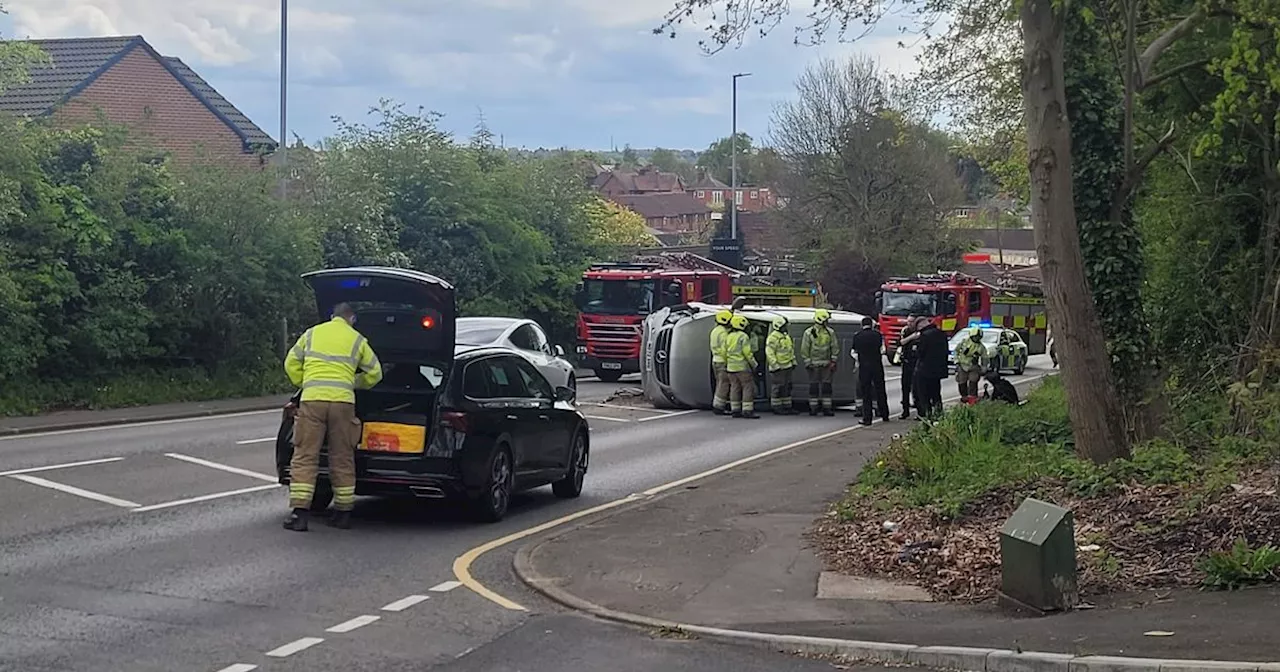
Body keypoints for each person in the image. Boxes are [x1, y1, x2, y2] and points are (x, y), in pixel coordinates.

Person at [283, 302, 383, 532]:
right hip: (343, 402)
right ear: (352, 319)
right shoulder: (357, 340)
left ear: (331, 316)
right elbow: (376, 373)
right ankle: (343, 514)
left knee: (305, 455)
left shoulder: (312, 334)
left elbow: (290, 363)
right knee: (342, 456)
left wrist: (305, 382)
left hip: (313, 400)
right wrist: (354, 382)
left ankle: (300, 515)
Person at [850, 317, 889, 425]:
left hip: (864, 367)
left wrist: (860, 360)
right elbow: (883, 350)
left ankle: (867, 418)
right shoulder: (878, 335)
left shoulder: (857, 336)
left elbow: (854, 352)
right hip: (877, 365)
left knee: (866, 393)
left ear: (861, 325)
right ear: (872, 324)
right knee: (880, 390)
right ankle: (884, 414)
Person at [800, 308, 839, 416]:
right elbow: (805, 349)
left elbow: (834, 347)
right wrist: (808, 362)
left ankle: (827, 408)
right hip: (813, 365)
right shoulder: (809, 333)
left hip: (826, 363)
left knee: (827, 386)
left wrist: (833, 361)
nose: (827, 322)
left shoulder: (830, 332)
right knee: (814, 387)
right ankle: (814, 408)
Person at [912, 317, 949, 419]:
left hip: (924, 370)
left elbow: (920, 353)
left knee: (924, 396)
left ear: (920, 325)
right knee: (936, 395)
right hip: (938, 371)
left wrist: (915, 350)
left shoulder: (924, 336)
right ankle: (939, 415)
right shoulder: (941, 333)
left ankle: (928, 417)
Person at [725, 314, 759, 419]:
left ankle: (735, 410)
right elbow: (747, 353)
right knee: (747, 387)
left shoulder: (729, 336)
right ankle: (747, 410)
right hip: (742, 367)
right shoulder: (743, 336)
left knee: (734, 388)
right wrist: (754, 364)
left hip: (730, 367)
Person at [765, 315, 797, 415]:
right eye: (784, 325)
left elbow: (790, 351)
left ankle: (787, 406)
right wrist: (775, 366)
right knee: (778, 387)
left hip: (787, 366)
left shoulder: (786, 337)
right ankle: (776, 407)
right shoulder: (773, 338)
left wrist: (793, 362)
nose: (786, 327)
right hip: (778, 368)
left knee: (787, 387)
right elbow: (770, 353)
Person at [894, 316, 920, 419]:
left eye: (912, 321)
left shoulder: (920, 332)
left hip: (917, 363)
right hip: (906, 362)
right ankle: (905, 411)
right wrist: (911, 337)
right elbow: (899, 343)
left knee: (917, 388)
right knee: (905, 388)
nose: (909, 323)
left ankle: (919, 412)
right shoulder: (905, 331)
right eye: (908, 321)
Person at [954, 327, 988, 402]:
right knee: (962, 382)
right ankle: (964, 397)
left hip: (974, 367)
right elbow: (956, 351)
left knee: (973, 382)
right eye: (976, 337)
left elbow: (984, 358)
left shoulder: (981, 347)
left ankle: (972, 398)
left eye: (978, 337)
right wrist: (956, 361)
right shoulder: (964, 342)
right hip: (962, 365)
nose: (977, 338)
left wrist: (984, 367)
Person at [709, 310, 733, 415]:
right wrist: (728, 361)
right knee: (723, 384)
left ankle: (718, 404)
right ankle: (719, 407)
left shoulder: (715, 330)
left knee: (719, 382)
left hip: (715, 360)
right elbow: (724, 349)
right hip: (722, 361)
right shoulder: (723, 333)